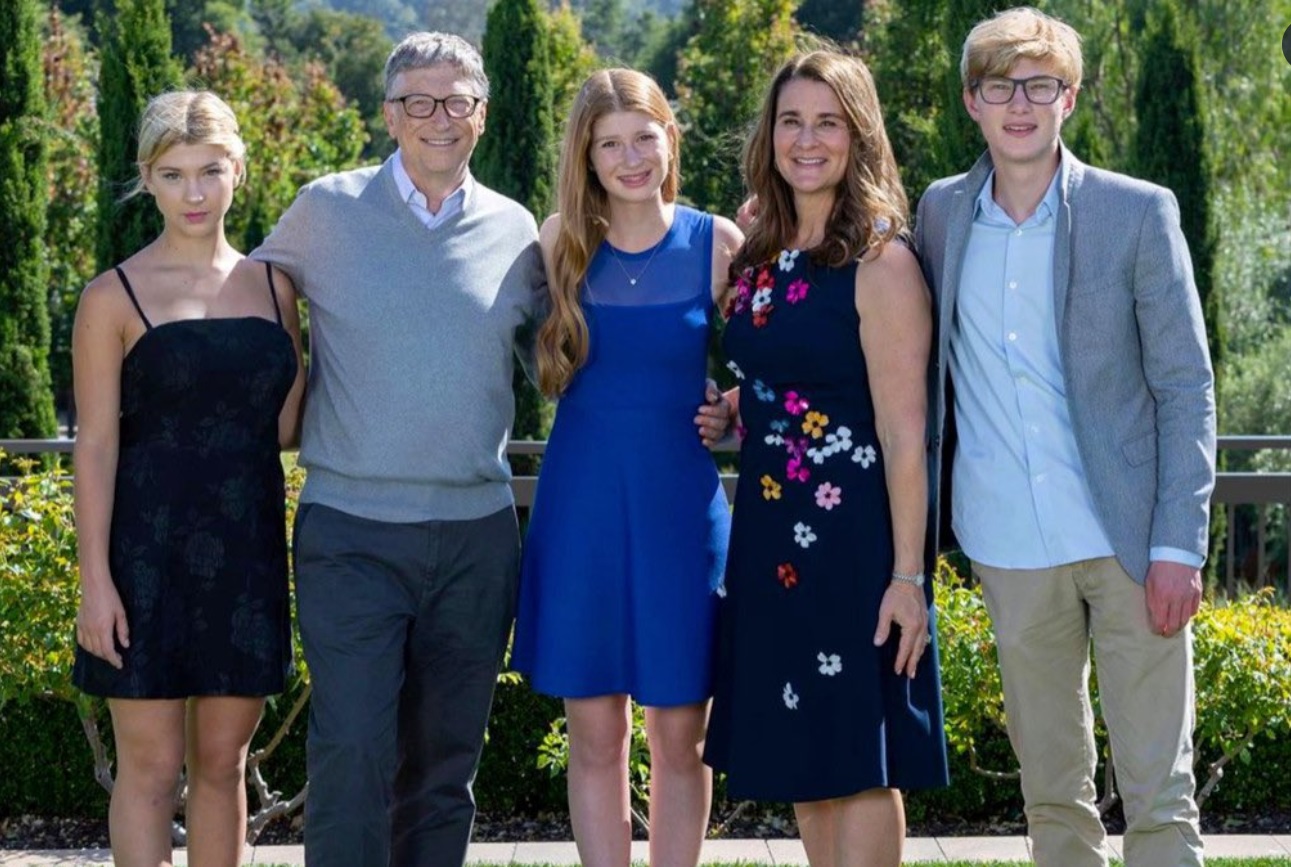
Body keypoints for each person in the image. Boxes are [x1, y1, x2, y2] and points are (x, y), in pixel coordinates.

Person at [915, 8, 1215, 867]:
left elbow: (1185, 386)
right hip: (1007, 544)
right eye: (999, 86)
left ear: (1068, 98)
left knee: (1159, 792)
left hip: (1130, 544)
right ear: (971, 101)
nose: (1019, 104)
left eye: (1039, 85)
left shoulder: (1136, 212)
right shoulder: (939, 215)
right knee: (1050, 791)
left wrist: (1176, 544)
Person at [250, 31, 542, 867]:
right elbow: (245, 297)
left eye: (457, 101)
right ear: (388, 114)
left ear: (481, 116)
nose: (438, 117)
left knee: (447, 763)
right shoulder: (324, 210)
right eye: (418, 100)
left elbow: (564, 363)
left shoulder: (515, 231)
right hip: (350, 528)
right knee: (352, 750)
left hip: (477, 534)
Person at [702, 50, 949, 867]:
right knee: (803, 758)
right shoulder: (760, 250)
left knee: (858, 756)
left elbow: (905, 429)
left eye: (827, 123)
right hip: (770, 538)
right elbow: (787, 372)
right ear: (769, 134)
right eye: (790, 121)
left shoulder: (879, 261)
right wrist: (740, 408)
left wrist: (908, 579)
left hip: (854, 547)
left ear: (857, 134)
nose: (807, 140)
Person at [510, 68, 741, 867]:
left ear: (668, 138)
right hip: (581, 509)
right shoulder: (558, 242)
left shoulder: (718, 242)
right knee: (594, 734)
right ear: (587, 155)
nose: (630, 156)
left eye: (644, 136)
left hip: (680, 509)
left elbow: (770, 367)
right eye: (610, 143)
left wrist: (733, 404)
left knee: (683, 735)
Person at [71, 89, 305, 866]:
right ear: (148, 178)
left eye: (211, 170)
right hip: (143, 560)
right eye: (173, 175)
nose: (195, 193)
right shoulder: (111, 296)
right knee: (148, 768)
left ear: (239, 170)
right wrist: (94, 582)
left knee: (223, 763)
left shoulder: (277, 290)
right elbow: (96, 446)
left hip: (246, 556)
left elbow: (285, 426)